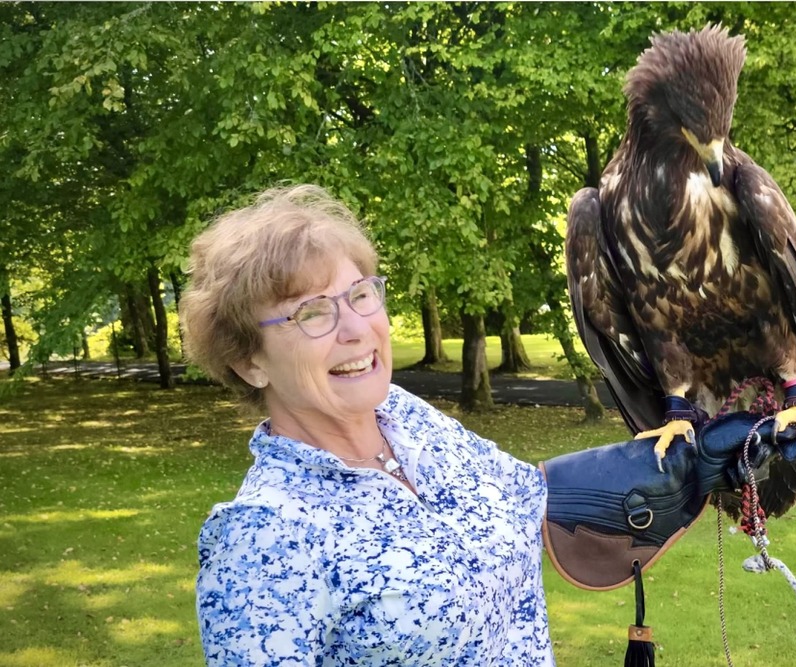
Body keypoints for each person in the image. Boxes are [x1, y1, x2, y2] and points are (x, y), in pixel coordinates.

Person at [180, 185, 554, 665]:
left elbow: (530, 493)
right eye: (311, 313)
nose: (356, 328)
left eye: (360, 295)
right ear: (249, 363)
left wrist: (666, 455)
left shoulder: (407, 418)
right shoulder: (262, 536)